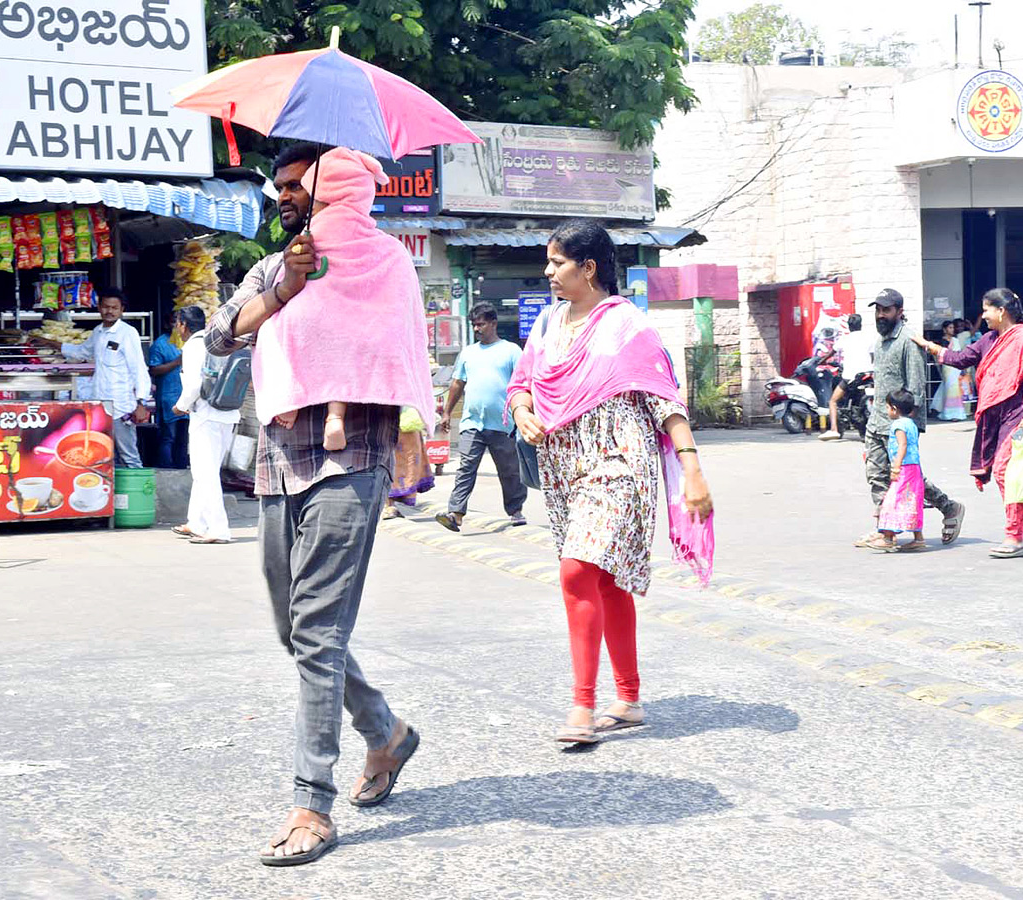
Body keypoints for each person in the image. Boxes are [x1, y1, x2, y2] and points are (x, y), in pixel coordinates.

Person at [205, 144, 431, 867]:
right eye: (278, 187)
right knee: (293, 628)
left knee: (320, 631)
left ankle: (312, 802)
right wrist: (283, 293)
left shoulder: (384, 262)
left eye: (295, 184)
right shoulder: (275, 267)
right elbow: (217, 336)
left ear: (334, 187)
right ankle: (386, 731)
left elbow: (393, 350)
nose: (283, 196)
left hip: (353, 455)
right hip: (278, 460)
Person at [507, 220, 714, 745]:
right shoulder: (548, 325)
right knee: (607, 580)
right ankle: (629, 699)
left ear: (589, 268)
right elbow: (522, 382)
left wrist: (692, 470)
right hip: (564, 469)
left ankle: (583, 706)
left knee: (577, 572)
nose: (548, 271)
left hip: (619, 463)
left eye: (557, 262)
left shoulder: (628, 327)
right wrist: (523, 409)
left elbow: (665, 400)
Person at [912, 289, 1023, 558]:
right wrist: (929, 345)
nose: (983, 316)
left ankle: (1014, 536)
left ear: (1001, 311)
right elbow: (961, 360)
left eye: (986, 310)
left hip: (1019, 413)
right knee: (1013, 474)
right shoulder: (989, 339)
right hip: (996, 416)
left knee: (1006, 472)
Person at [854, 289, 964, 550]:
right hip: (877, 420)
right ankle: (884, 528)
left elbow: (915, 387)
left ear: (899, 312)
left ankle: (949, 507)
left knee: (907, 478)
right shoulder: (881, 339)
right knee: (876, 475)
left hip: (898, 424)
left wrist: (906, 426)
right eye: (878, 310)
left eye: (886, 310)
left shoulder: (909, 340)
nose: (881, 315)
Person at [434, 302, 527, 531]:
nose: (477, 328)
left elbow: (523, 384)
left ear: (493, 323)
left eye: (481, 324)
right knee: (466, 467)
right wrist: (447, 412)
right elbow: (457, 383)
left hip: (504, 423)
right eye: (474, 325)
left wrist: (525, 415)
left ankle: (516, 511)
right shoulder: (468, 353)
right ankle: (455, 513)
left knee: (509, 470)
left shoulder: (511, 351)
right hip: (472, 422)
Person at [32, 288, 150, 468]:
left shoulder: (128, 333)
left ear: (121, 310)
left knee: (129, 457)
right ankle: (117, 496)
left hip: (121, 407)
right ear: (99, 308)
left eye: (114, 308)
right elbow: (80, 352)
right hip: (101, 405)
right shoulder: (98, 332)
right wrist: (51, 343)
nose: (110, 311)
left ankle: (140, 495)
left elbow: (139, 369)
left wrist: (141, 402)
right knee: (108, 459)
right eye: (106, 307)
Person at [166, 306, 238, 544]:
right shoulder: (215, 343)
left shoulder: (193, 346)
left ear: (183, 325)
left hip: (205, 416)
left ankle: (218, 529)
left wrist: (180, 406)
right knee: (205, 472)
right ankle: (196, 522)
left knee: (205, 474)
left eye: (178, 323)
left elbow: (194, 385)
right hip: (227, 414)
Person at [870, 390, 926, 551]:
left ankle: (888, 538)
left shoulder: (899, 425)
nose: (887, 411)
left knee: (892, 500)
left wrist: (895, 466)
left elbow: (903, 445)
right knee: (912, 500)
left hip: (904, 468)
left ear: (894, 408)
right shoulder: (911, 423)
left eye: (887, 407)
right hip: (914, 467)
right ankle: (918, 538)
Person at [820, 313, 874, 441]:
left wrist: (822, 361)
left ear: (849, 326)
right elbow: (874, 356)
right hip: (868, 374)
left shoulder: (844, 339)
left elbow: (831, 353)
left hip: (851, 377)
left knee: (832, 401)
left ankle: (834, 430)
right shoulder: (869, 338)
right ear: (860, 325)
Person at [148, 312, 188, 468]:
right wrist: (177, 362)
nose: (177, 326)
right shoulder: (160, 344)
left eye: (181, 323)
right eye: (174, 322)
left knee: (183, 439)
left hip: (186, 397)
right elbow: (154, 370)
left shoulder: (188, 342)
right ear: (167, 324)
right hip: (168, 399)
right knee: (168, 437)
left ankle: (182, 470)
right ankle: (167, 471)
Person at [929, 320, 967, 421]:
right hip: (947, 367)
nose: (952, 330)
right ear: (944, 329)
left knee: (956, 390)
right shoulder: (942, 341)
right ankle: (949, 413)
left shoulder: (955, 340)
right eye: (950, 328)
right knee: (950, 390)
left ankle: (956, 413)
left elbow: (959, 353)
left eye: (953, 328)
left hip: (956, 367)